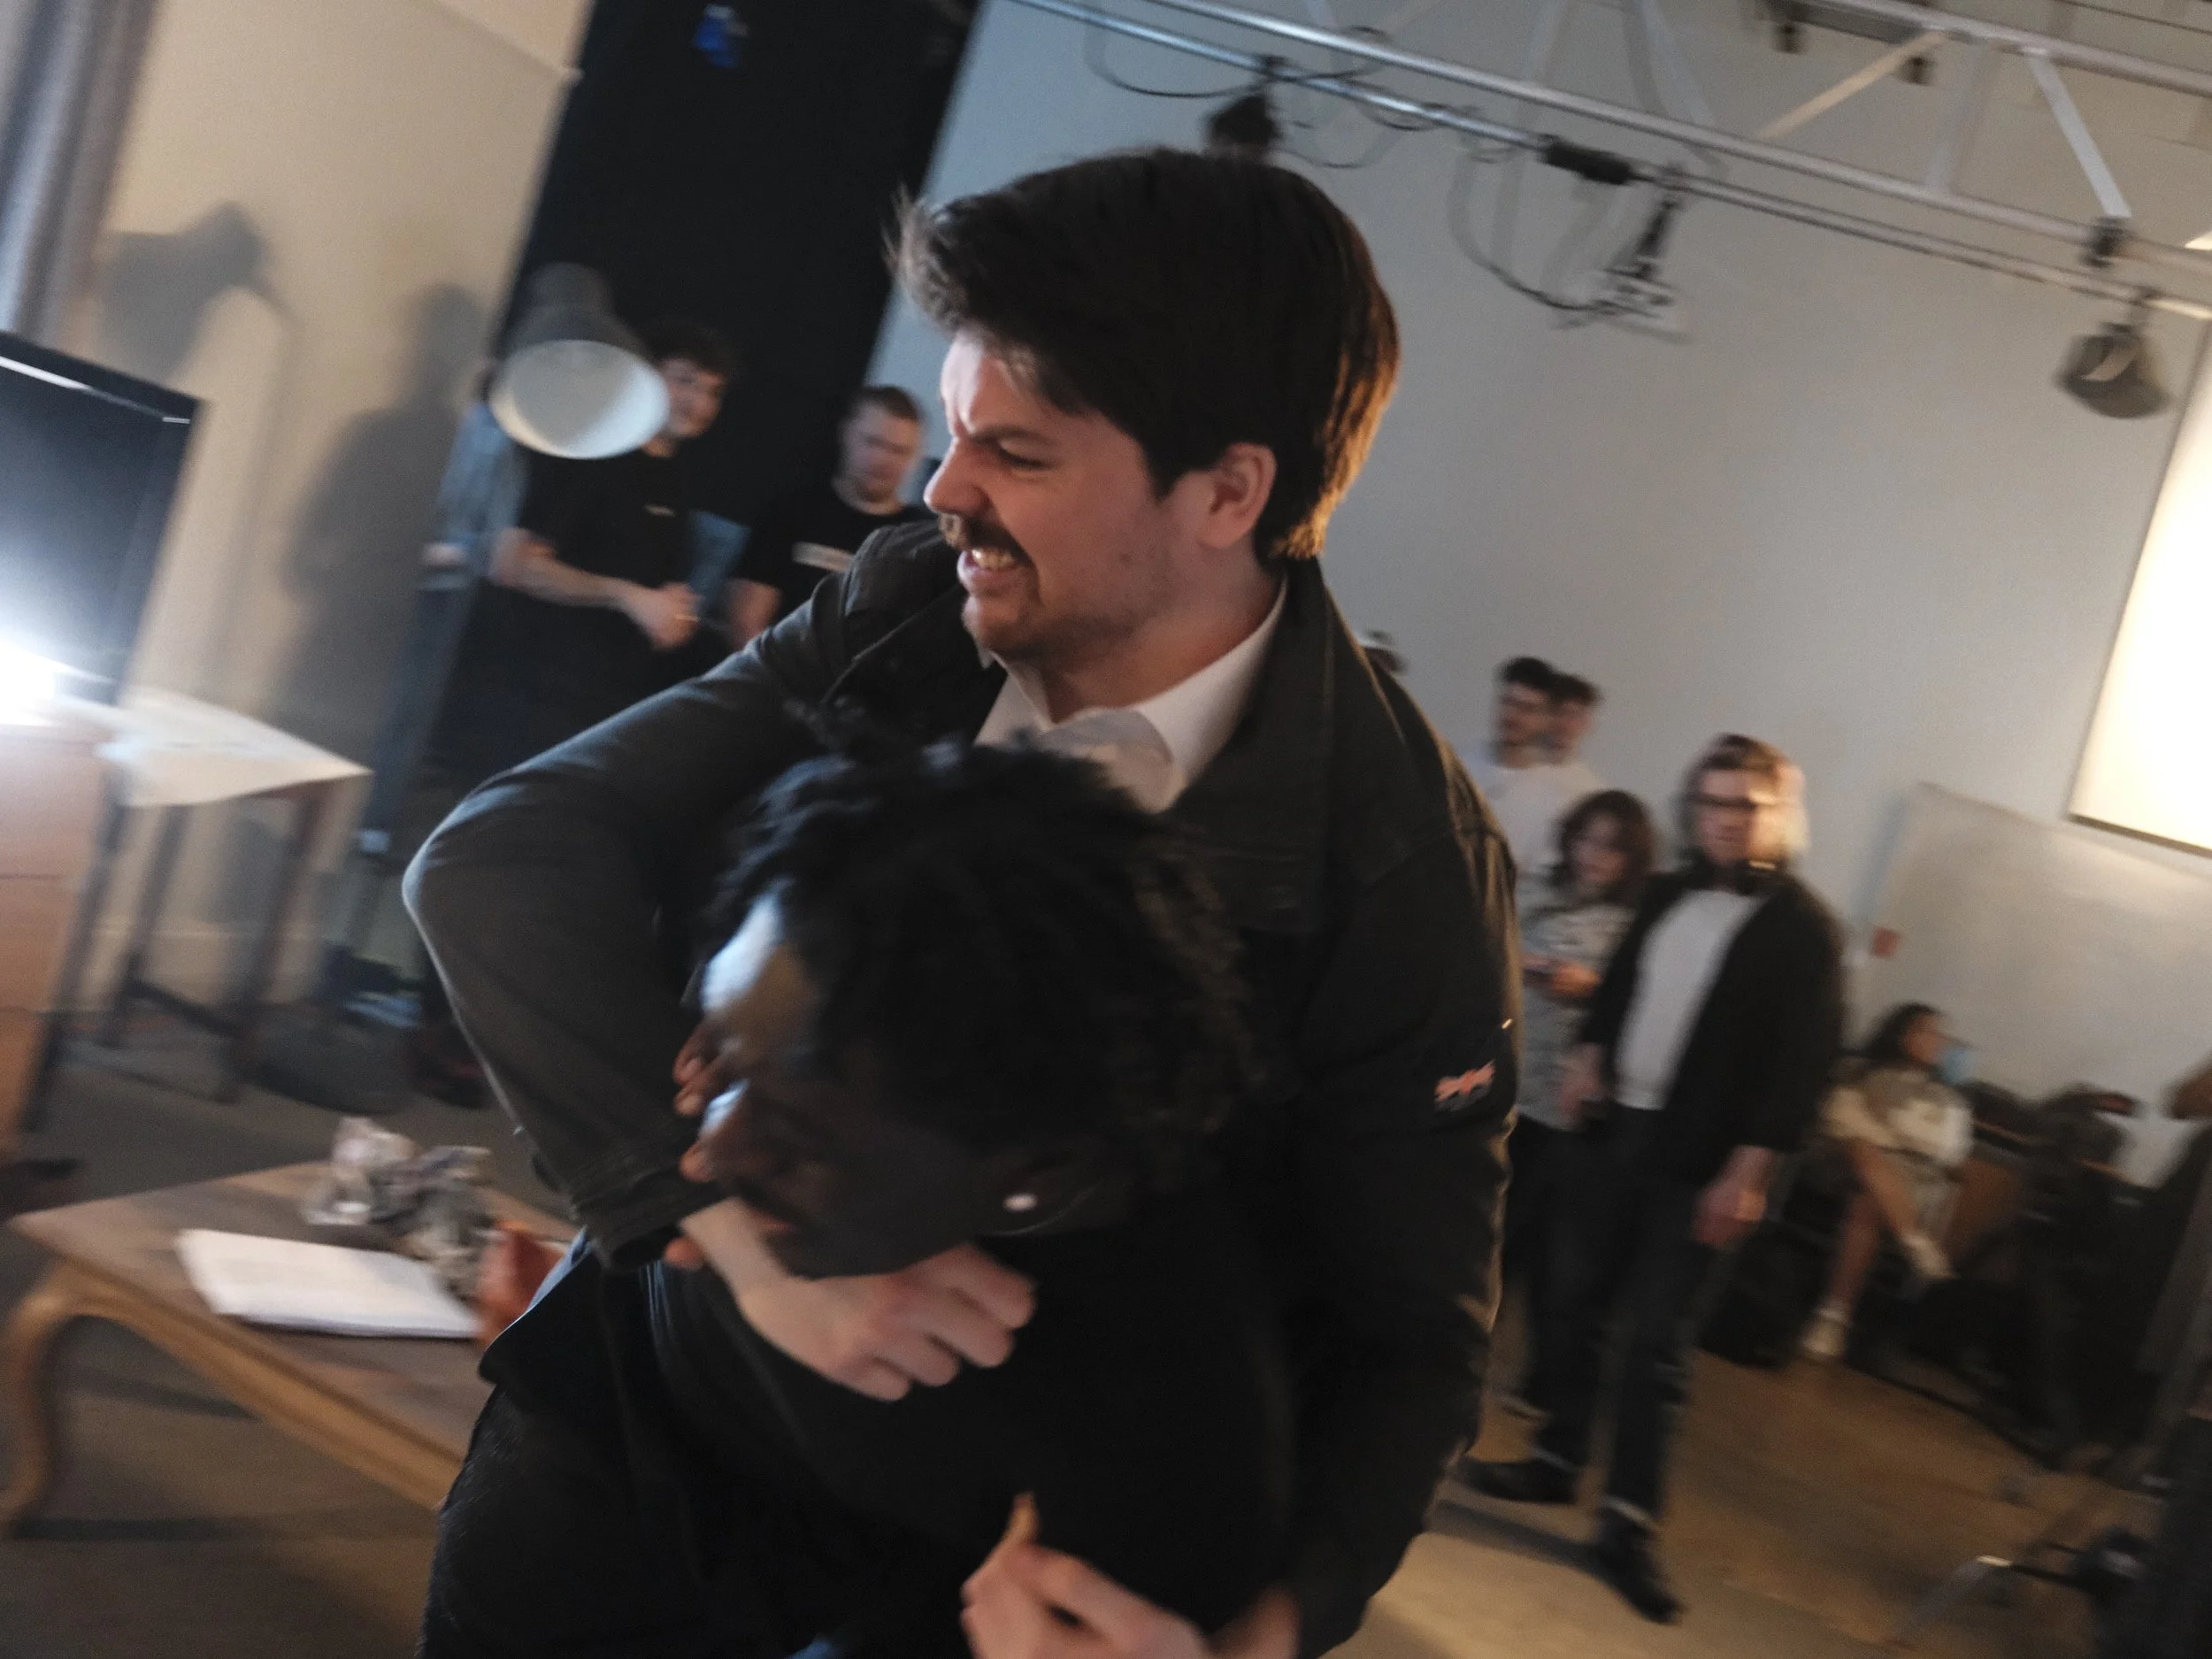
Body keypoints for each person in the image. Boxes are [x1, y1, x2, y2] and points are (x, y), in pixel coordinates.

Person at [408, 149, 1517, 1659]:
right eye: (951, 432)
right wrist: (724, 1229)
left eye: (1022, 453)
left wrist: (1243, 1639)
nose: (947, 491)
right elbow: (504, 853)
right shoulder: (914, 606)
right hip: (625, 1450)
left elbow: (1413, 1351)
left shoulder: (1400, 863)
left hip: (964, 1588)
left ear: (1228, 491)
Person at [421, 741, 1295, 1655]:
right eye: (719, 1053)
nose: (711, 1149)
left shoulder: (1155, 1458)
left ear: (1031, 1173)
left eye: (802, 1138)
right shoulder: (825, 995)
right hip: (593, 1444)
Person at [1464, 733, 1843, 1624]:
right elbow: (1623, 986)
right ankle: (1557, 1461)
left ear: (1777, 815)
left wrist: (1746, 1174)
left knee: (1656, 1345)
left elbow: (1800, 1069)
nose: (1722, 820)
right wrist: (1591, 1056)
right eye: (1710, 802)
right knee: (1570, 1300)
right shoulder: (1669, 891)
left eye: (1742, 805)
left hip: (1706, 1160)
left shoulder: (1804, 930)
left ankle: (1628, 1523)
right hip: (1615, 1131)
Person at [440, 316, 736, 779]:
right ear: (647, 375)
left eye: (713, 392)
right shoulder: (595, 446)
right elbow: (514, 564)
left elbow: (646, 586)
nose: (699, 403)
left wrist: (671, 613)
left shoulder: (675, 477)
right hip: (534, 695)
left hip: (603, 704)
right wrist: (629, 596)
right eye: (685, 382)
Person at [1501, 789, 1655, 1417]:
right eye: (1586, 839)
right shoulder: (1536, 892)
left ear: (1631, 856)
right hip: (1505, 1078)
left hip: (1568, 1101)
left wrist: (1585, 984)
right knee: (1493, 1234)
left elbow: (1635, 996)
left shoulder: (1634, 924)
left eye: (1611, 846)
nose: (1594, 855)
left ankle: (1547, 1384)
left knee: (1553, 1253)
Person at [1799, 1002, 1970, 1363]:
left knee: (1868, 1203)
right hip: (1842, 1163)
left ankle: (1833, 1317)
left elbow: (1945, 1149)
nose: (1935, 1041)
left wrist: (1889, 1137)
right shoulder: (1862, 1072)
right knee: (1863, 1148)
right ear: (1903, 1034)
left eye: (1940, 1035)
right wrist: (1893, 1139)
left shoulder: (1946, 1098)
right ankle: (1914, 1239)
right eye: (1926, 1031)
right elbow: (1842, 1119)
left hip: (1907, 1181)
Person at [726, 385, 932, 645]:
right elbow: (745, 625)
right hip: (778, 677)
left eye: (898, 450)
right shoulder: (791, 511)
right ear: (846, 434)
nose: (882, 459)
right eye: (873, 442)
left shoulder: (922, 540)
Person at [1467, 657, 1598, 879]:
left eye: (1527, 709)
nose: (1512, 716)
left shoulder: (1557, 798)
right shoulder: (1457, 764)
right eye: (1507, 702)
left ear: (1547, 719)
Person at [1548, 672, 1602, 774]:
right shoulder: (1513, 772)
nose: (1564, 723)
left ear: (1587, 723)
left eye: (1574, 715)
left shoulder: (1587, 786)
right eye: (1558, 713)